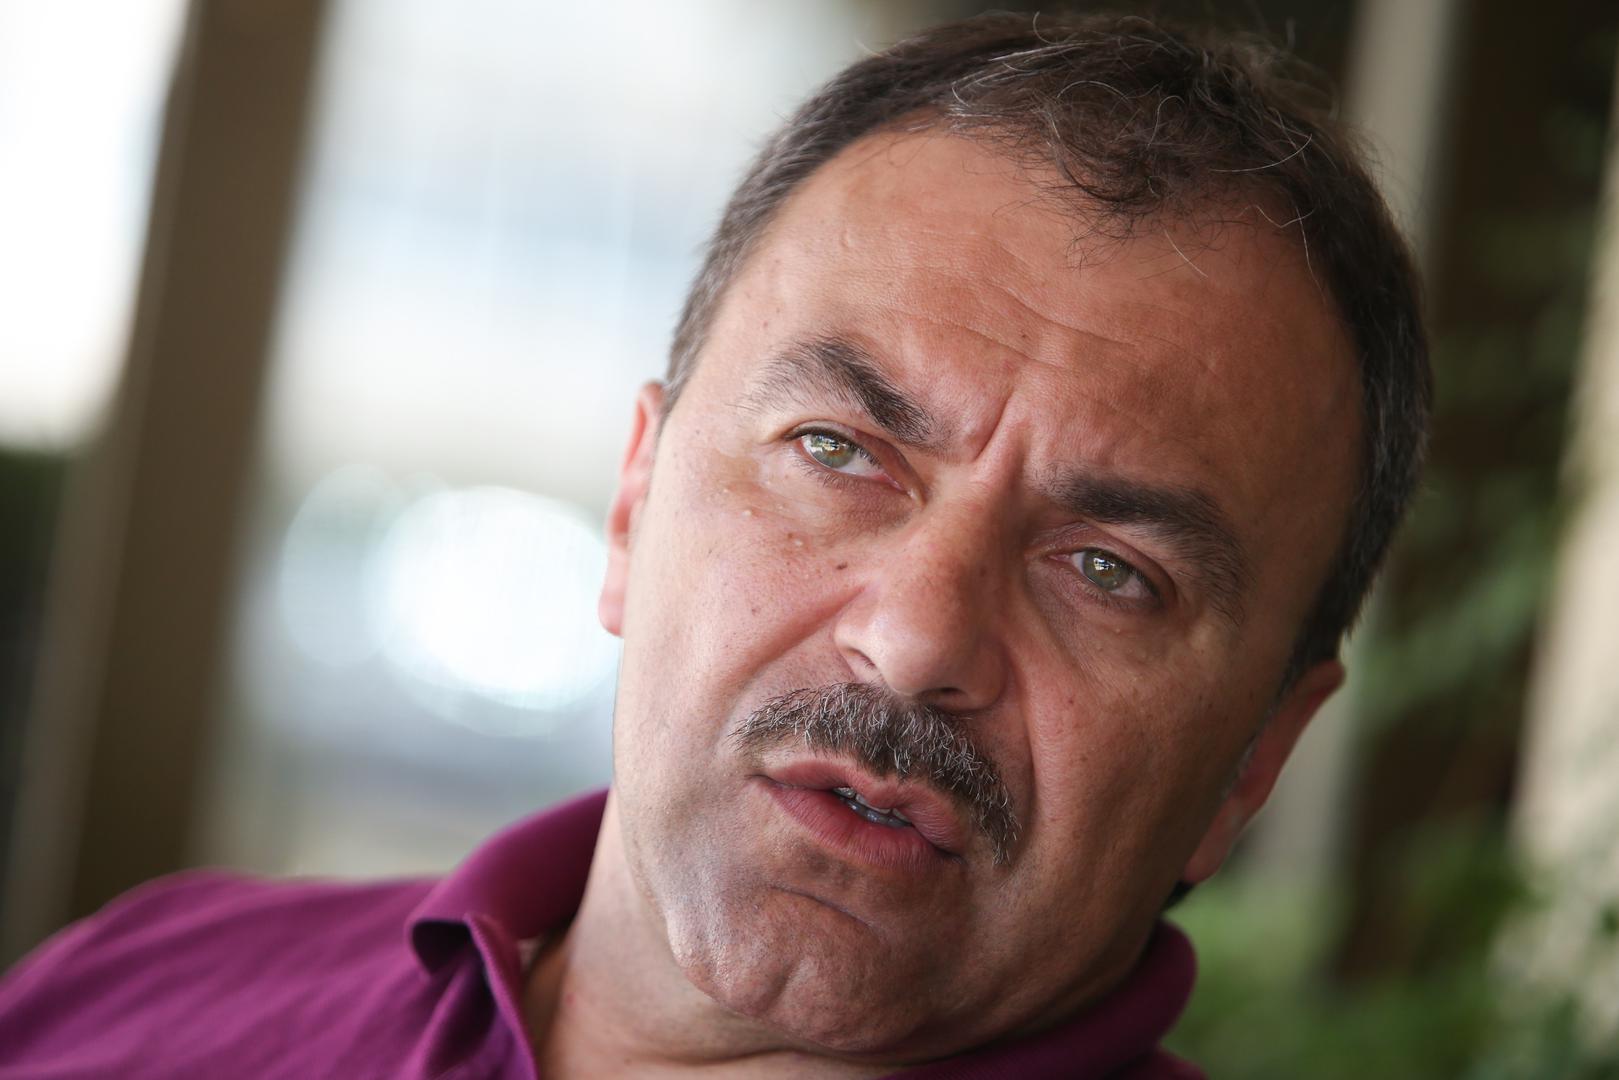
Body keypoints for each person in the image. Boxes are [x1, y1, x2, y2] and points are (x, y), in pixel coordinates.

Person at [0, 11, 1430, 1079]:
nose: (916, 639)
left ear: (1256, 759)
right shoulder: (135, 988)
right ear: (635, 500)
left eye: (1110, 571)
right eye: (839, 452)